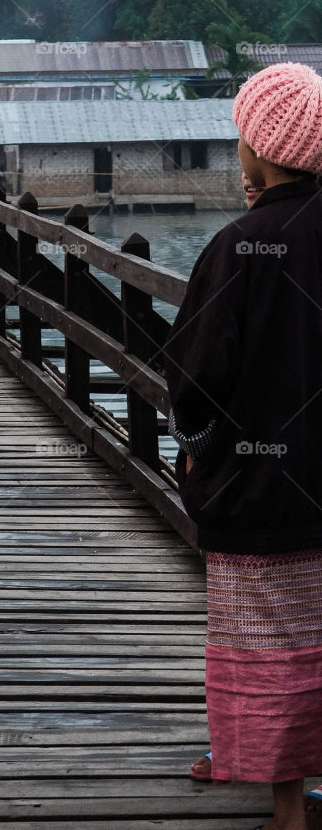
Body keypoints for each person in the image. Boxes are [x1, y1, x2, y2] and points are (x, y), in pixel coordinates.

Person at [165, 62, 322, 830]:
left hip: (261, 497)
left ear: (261, 147)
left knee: (271, 653)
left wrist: (194, 447)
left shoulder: (241, 246)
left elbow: (196, 379)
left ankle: (287, 805)